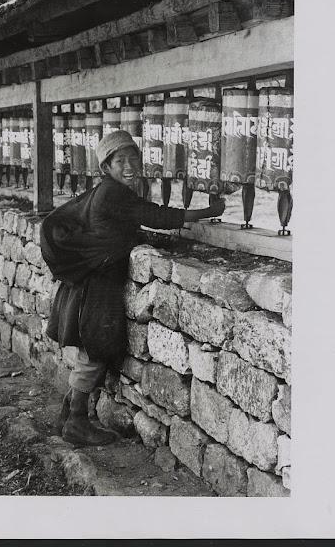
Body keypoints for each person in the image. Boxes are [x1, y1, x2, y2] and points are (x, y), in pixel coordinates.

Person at [41, 130, 225, 446]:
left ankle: (66, 416)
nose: (129, 166)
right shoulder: (113, 193)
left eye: (133, 158)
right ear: (107, 167)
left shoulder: (105, 192)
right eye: (119, 160)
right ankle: (76, 422)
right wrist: (208, 212)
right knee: (95, 352)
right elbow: (155, 215)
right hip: (96, 288)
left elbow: (125, 227)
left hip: (90, 283)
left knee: (92, 349)